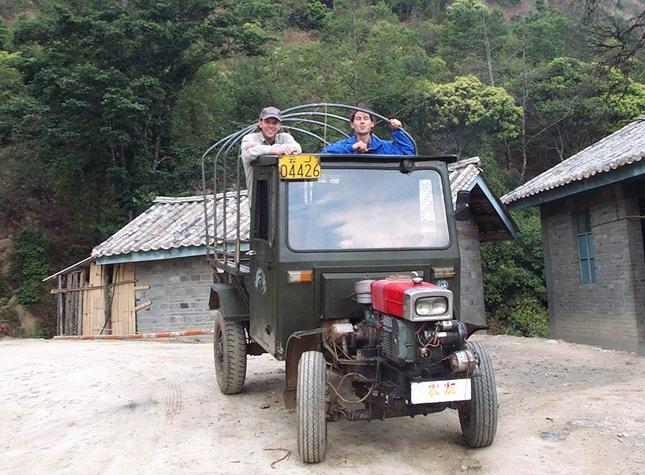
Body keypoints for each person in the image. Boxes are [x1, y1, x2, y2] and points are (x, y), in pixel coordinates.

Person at [241, 106, 302, 200]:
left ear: (279, 126)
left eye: (275, 123)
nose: (271, 126)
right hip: (258, 203)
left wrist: (262, 149)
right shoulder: (250, 138)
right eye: (267, 122)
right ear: (260, 123)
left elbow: (297, 148)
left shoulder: (285, 137)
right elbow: (248, 154)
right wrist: (273, 150)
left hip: (284, 201)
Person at [320, 110, 414, 155]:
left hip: (379, 189)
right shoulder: (344, 145)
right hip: (349, 189)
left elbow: (408, 153)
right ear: (352, 124)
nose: (362, 122)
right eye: (358, 119)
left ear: (372, 124)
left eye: (366, 118)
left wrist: (397, 131)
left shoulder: (384, 147)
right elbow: (325, 153)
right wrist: (352, 147)